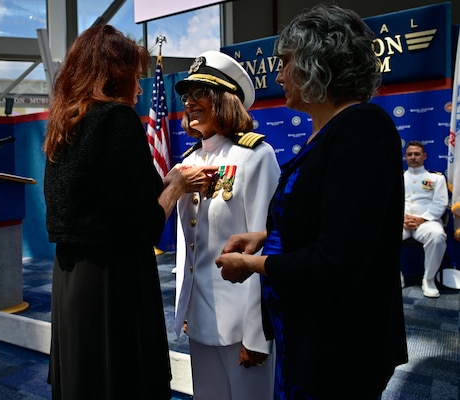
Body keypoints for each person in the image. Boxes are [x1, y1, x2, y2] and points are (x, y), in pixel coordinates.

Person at [215, 4, 408, 399]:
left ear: (317, 63)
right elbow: (328, 221)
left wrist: (254, 264)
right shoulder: (329, 131)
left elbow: (340, 259)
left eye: (286, 63)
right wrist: (263, 236)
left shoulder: (362, 128)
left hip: (340, 346)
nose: (279, 74)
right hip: (309, 338)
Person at [43, 25, 217, 400]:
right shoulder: (115, 120)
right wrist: (178, 187)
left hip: (72, 281)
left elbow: (105, 199)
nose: (139, 89)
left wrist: (166, 180)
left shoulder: (66, 122)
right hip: (112, 286)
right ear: (113, 75)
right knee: (120, 383)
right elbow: (144, 224)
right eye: (134, 78)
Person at [173, 50, 281, 400]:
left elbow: (265, 243)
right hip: (200, 319)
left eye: (199, 94)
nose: (189, 103)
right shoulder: (188, 161)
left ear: (224, 100)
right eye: (187, 96)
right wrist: (184, 308)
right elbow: (188, 248)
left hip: (241, 324)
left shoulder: (255, 156)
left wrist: (257, 334)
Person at [402, 140, 448, 297]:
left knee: (437, 236)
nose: (413, 157)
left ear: (424, 156)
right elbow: (391, 202)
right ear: (405, 157)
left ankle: (428, 279)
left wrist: (423, 219)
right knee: (381, 235)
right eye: (409, 154)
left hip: (427, 223)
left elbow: (441, 202)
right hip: (403, 222)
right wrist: (402, 219)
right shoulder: (398, 178)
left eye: (417, 154)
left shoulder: (436, 178)